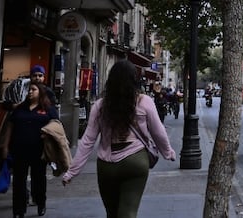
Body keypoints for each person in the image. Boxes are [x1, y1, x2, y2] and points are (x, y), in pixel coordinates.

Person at [62, 60, 177, 218]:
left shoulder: (100, 106)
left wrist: (71, 172)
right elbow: (158, 132)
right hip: (136, 161)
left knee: (112, 213)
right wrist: (168, 152)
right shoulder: (144, 102)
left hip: (106, 166)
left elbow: (87, 141)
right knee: (128, 212)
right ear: (134, 80)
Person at [3, 80, 59, 218]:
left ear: (40, 92)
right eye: (29, 90)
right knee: (18, 181)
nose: (30, 92)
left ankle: (41, 202)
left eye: (33, 89)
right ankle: (18, 210)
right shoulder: (20, 108)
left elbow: (56, 126)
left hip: (38, 151)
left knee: (38, 179)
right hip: (19, 150)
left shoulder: (48, 109)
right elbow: (10, 126)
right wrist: (5, 146)